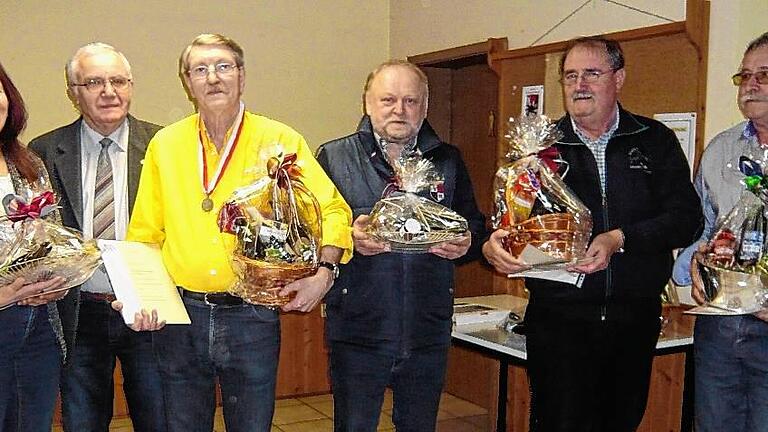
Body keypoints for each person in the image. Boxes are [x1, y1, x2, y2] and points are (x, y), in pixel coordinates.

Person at [125, 33, 353, 432]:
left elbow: (332, 208)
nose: (213, 78)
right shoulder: (166, 144)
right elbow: (145, 232)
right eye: (201, 69)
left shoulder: (280, 141)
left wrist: (326, 271)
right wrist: (135, 296)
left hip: (251, 315)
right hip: (180, 317)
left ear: (242, 76)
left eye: (223, 67)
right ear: (187, 81)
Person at [482, 36, 702, 431]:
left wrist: (620, 238)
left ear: (619, 78)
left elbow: (687, 218)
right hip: (558, 321)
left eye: (592, 74)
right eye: (570, 76)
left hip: (633, 318)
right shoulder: (539, 149)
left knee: (620, 421)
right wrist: (493, 243)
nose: (579, 84)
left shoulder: (654, 140)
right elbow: (507, 222)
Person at [315, 60, 487, 432]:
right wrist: (349, 237)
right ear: (367, 102)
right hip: (358, 330)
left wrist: (468, 242)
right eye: (388, 99)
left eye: (411, 101)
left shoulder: (448, 160)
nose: (399, 110)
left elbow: (474, 224)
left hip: (428, 330)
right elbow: (310, 235)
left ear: (425, 107)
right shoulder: (334, 156)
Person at [29, 43, 166, 432]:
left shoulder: (162, 146)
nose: (108, 91)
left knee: (158, 418)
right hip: (80, 310)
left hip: (148, 310)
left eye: (117, 80)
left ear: (131, 86)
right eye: (93, 82)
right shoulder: (44, 151)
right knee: (83, 421)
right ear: (73, 91)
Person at [673, 32, 768, 432]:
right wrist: (693, 262)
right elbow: (705, 226)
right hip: (720, 326)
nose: (751, 84)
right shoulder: (721, 149)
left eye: (764, 74)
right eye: (745, 75)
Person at [0, 59, 69, 432]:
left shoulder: (26, 161)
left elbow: (52, 236)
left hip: (39, 330)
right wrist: (5, 294)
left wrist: (55, 280)